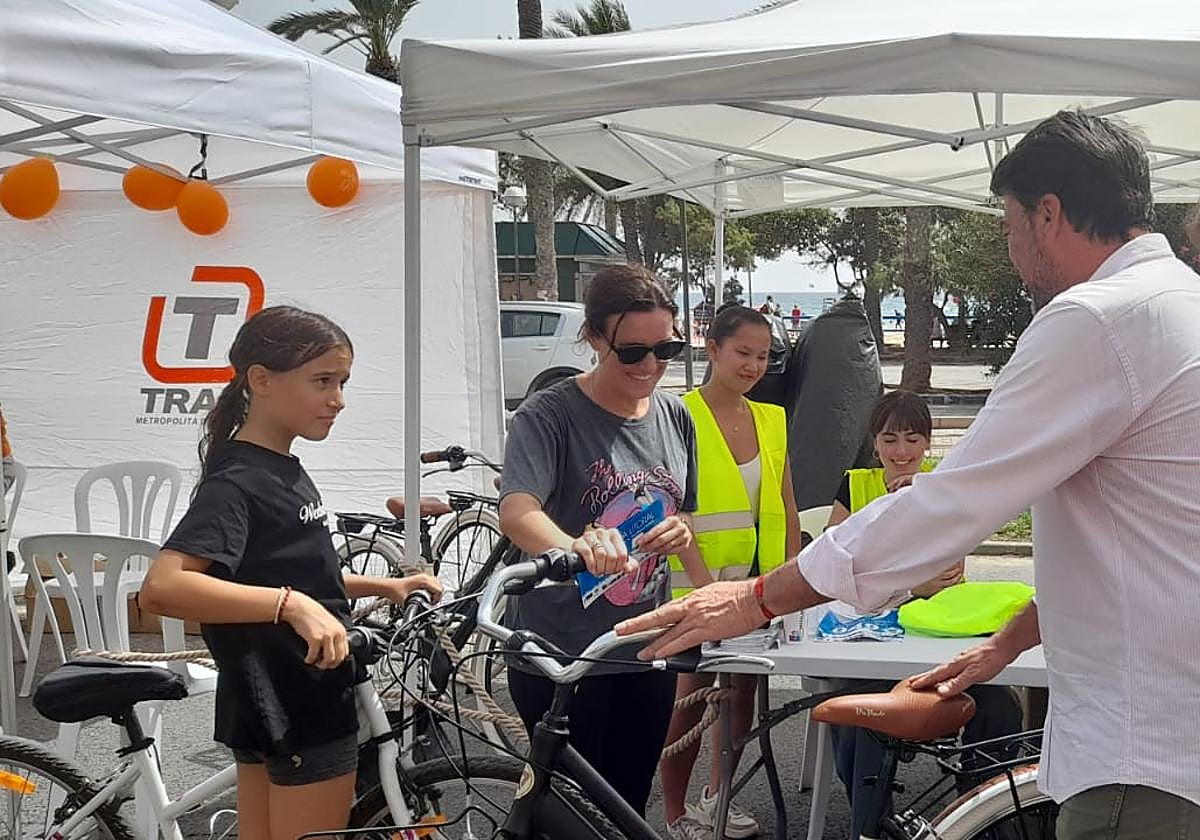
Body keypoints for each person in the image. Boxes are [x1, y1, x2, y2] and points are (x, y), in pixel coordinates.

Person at [619, 110, 1200, 837]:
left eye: (1009, 227)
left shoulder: (1097, 318)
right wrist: (1012, 639)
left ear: (1048, 214)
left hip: (1143, 753)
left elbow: (951, 503)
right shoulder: (1180, 302)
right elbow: (1148, 540)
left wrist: (756, 598)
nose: (1013, 252)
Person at [139, 306, 444, 840]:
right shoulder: (238, 480)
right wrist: (292, 605)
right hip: (297, 699)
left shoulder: (280, 467)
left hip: (276, 697)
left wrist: (384, 585)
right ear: (261, 380)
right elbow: (162, 587)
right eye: (322, 381)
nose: (338, 399)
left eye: (343, 382)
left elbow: (286, 571)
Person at [498, 263, 697, 817]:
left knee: (628, 808)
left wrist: (679, 529)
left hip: (644, 648)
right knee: (570, 816)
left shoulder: (675, 415)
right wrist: (574, 547)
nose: (651, 366)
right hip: (563, 655)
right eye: (632, 352)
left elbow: (680, 508)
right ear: (591, 338)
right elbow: (517, 510)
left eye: (666, 350)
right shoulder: (549, 414)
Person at [825, 390, 1021, 838]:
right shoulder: (854, 486)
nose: (901, 452)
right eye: (889, 439)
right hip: (869, 643)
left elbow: (949, 573)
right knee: (859, 714)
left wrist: (916, 510)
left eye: (912, 439)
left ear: (928, 442)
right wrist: (911, 584)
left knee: (999, 707)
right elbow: (835, 570)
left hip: (940, 642)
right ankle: (870, 826)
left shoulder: (945, 486)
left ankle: (982, 819)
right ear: (874, 443)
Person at [659, 305, 801, 840]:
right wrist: (706, 590)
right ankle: (674, 815)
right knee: (689, 704)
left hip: (757, 590)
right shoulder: (678, 415)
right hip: (694, 589)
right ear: (713, 348)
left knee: (741, 698)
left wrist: (793, 584)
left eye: (763, 356)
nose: (753, 366)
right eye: (743, 353)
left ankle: (717, 798)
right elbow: (673, 511)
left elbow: (786, 505)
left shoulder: (772, 419)